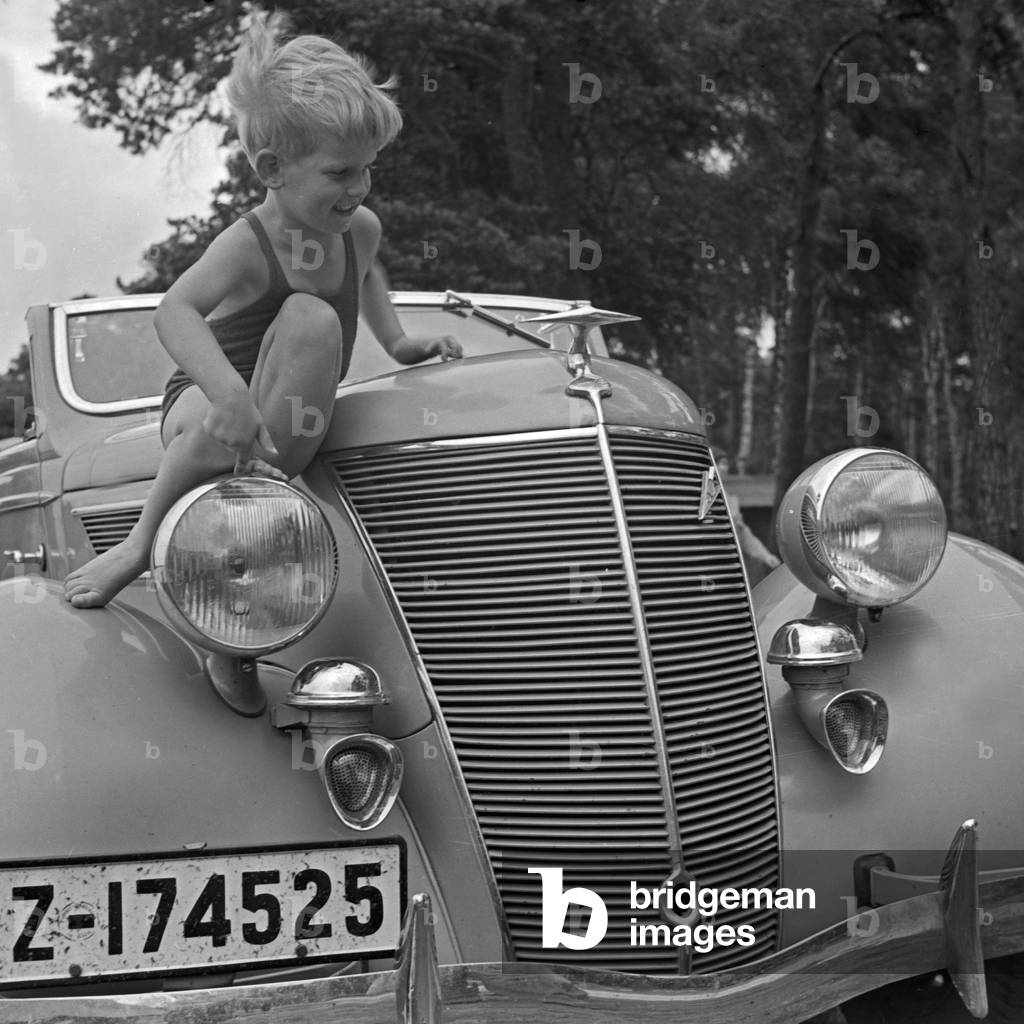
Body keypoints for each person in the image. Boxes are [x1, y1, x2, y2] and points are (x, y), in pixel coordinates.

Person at [64, 11, 462, 609]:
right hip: (210, 397)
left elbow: (370, 278)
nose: (360, 188)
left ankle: (253, 541)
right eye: (340, 172)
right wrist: (228, 394)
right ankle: (143, 545)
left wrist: (401, 344)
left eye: (368, 167)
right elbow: (176, 310)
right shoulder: (247, 244)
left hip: (286, 418)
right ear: (272, 169)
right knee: (299, 326)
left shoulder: (360, 229)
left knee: (314, 318)